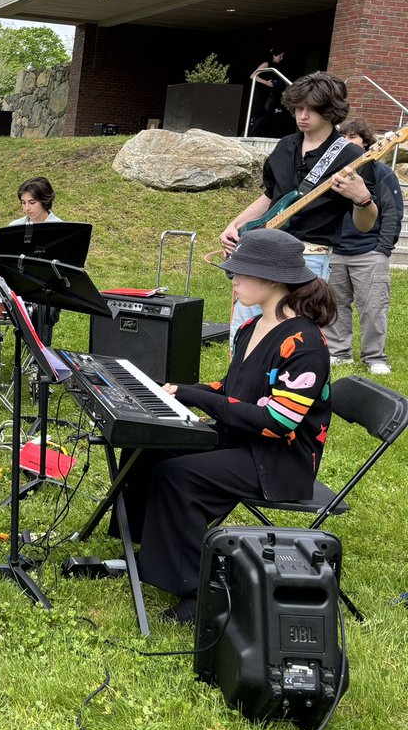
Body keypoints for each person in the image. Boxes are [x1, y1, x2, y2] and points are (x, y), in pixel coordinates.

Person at [123, 229, 335, 624]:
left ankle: (197, 592)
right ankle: (149, 549)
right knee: (148, 446)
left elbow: (278, 422)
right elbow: (232, 389)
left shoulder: (304, 343)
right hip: (242, 439)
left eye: (241, 272)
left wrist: (201, 398)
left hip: (279, 459)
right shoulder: (251, 328)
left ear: (273, 279)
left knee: (178, 475)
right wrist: (180, 390)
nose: (233, 279)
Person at [219, 72, 378, 343]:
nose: (302, 116)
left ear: (331, 111)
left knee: (292, 339)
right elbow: (271, 196)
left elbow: (366, 224)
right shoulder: (285, 146)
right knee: (243, 333)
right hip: (264, 251)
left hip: (308, 259)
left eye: (311, 109)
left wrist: (362, 199)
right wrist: (234, 225)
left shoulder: (351, 156)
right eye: (298, 108)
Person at [321, 120, 402, 374]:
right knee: (335, 306)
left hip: (369, 252)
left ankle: (375, 357)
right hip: (335, 251)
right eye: (343, 141)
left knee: (373, 308)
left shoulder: (381, 173)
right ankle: (339, 352)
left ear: (366, 144)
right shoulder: (331, 176)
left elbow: (392, 212)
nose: (348, 146)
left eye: (353, 140)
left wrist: (383, 249)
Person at [0, 176, 62, 286]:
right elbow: (0, 260)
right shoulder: (14, 227)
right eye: (23, 202)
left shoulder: (61, 229)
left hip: (47, 289)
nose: (27, 208)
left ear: (45, 201)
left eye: (32, 202)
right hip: (13, 288)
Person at [249, 47, 286, 138]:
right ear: (274, 55)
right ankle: (251, 134)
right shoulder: (266, 63)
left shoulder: (276, 66)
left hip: (269, 94)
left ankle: (259, 134)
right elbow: (253, 76)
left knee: (268, 114)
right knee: (262, 114)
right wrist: (266, 82)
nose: (281, 59)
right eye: (280, 56)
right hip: (261, 93)